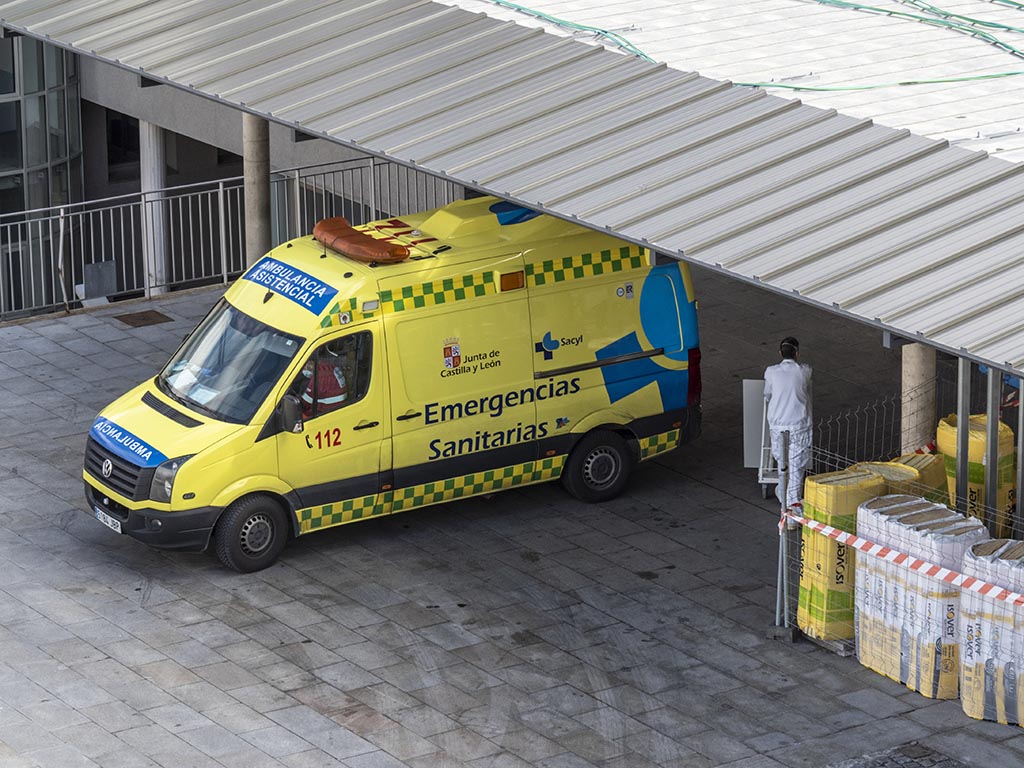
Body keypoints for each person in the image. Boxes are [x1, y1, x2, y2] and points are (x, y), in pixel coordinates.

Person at [764, 336, 812, 530]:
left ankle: (784, 499)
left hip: (777, 425)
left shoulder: (771, 372)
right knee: (796, 470)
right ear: (797, 353)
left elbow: (767, 394)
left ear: (780, 354)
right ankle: (792, 515)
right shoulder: (804, 371)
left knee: (782, 467)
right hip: (799, 424)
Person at [300, 348, 348, 419]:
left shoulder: (319, 377)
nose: (306, 368)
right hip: (339, 409)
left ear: (312, 361)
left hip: (324, 414)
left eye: (307, 365)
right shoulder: (329, 367)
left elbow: (305, 404)